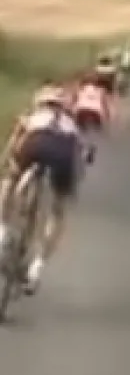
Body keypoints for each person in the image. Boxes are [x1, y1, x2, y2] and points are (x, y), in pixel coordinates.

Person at [0, 84, 83, 293]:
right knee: (58, 211)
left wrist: (9, 166)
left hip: (35, 143)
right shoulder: (71, 126)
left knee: (9, 180)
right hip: (63, 152)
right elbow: (78, 159)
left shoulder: (33, 116)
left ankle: (2, 230)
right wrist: (70, 189)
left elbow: (13, 146)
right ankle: (37, 267)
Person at [72, 79, 110, 164]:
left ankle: (82, 146)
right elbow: (105, 104)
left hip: (81, 111)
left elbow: (73, 101)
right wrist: (107, 115)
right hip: (96, 112)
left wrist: (72, 113)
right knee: (95, 131)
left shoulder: (80, 90)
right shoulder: (101, 90)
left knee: (80, 130)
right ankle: (91, 146)